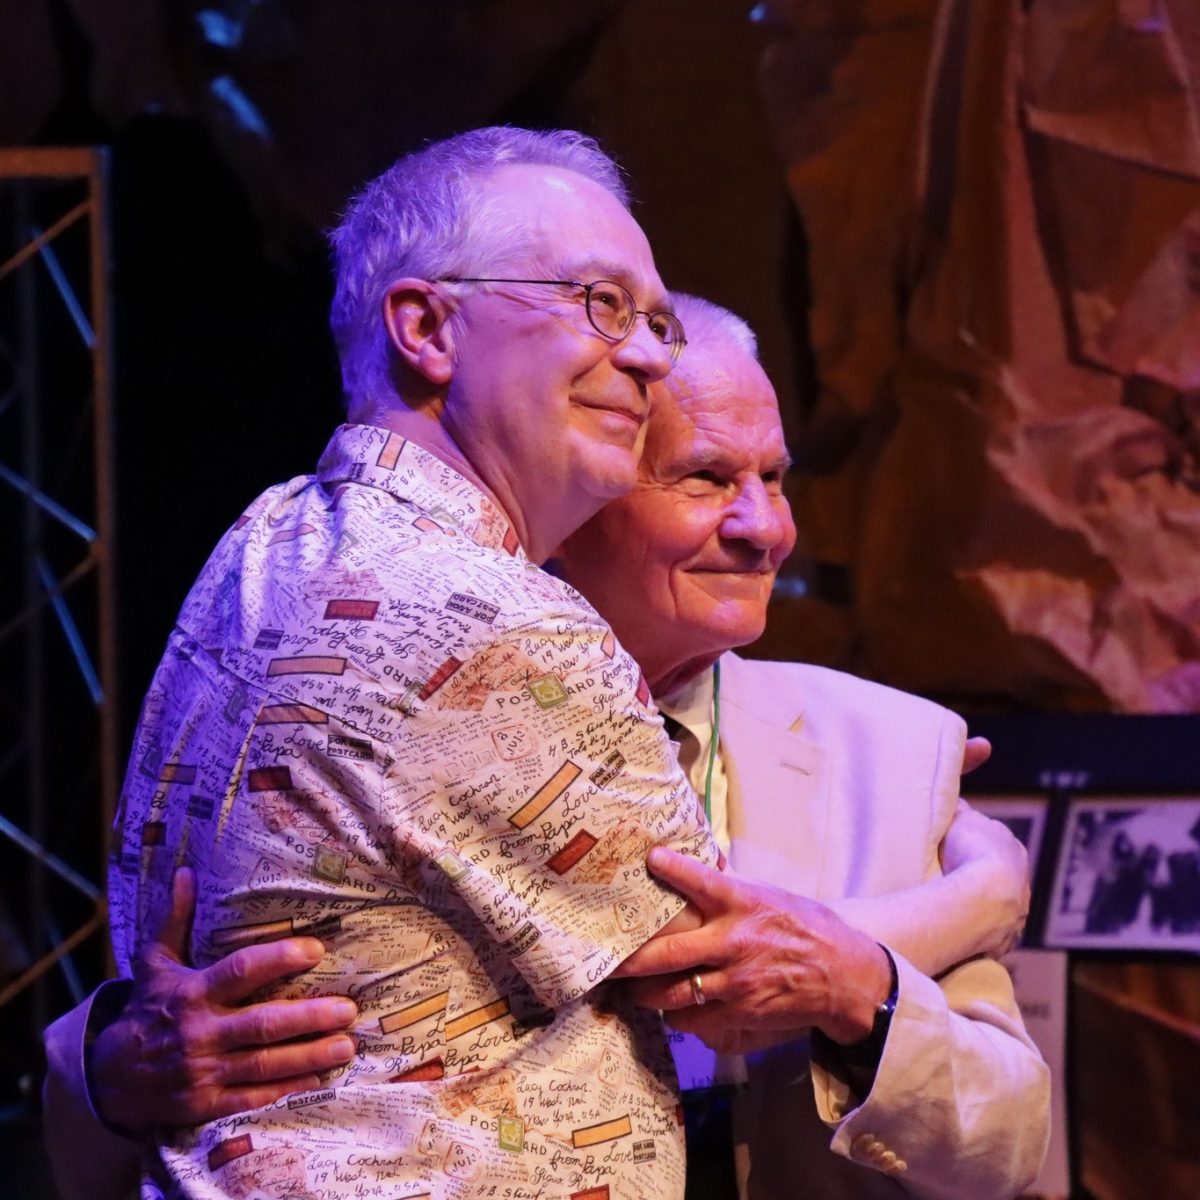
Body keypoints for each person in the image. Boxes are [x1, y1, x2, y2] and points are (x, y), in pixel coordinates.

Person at [46, 291, 1047, 1199]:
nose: (765, 528)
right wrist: (112, 1075)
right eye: (707, 480)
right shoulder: (371, 705)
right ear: (579, 500)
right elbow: (112, 1086)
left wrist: (861, 990)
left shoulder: (893, 747)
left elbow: (1012, 1144)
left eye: (774, 478)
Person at [92, 126, 742, 1200]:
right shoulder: (493, 613)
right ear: (427, 327)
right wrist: (985, 896)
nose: (649, 356)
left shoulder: (263, 542)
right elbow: (725, 977)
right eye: (600, 303)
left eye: (657, 319)